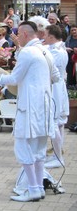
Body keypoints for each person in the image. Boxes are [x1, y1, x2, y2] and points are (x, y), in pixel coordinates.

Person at [0, 21, 59, 202]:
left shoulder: (28, 52)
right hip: (45, 104)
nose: (17, 38)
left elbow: (15, 78)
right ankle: (38, 187)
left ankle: (33, 188)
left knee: (23, 145)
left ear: (25, 34)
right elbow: (56, 76)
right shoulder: (45, 51)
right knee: (39, 147)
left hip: (30, 105)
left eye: (18, 35)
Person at [44, 25, 68, 169]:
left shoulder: (58, 51)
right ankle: (56, 154)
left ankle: (59, 158)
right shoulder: (54, 49)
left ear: (52, 37)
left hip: (56, 89)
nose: (44, 38)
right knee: (58, 124)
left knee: (55, 123)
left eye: (46, 35)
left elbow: (47, 66)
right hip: (56, 87)